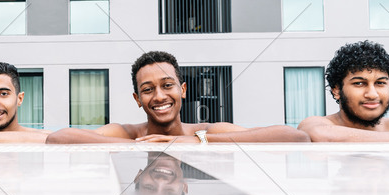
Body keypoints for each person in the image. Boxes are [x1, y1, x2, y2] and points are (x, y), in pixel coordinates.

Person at [46, 51, 309, 144]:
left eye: (167, 85)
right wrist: (139, 146)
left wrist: (196, 142)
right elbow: (58, 138)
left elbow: (295, 137)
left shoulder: (207, 131)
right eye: (148, 89)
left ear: (182, 90)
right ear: (138, 99)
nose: (159, 96)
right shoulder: (128, 135)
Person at [298, 40, 389, 142]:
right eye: (359, 83)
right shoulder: (318, 124)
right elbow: (321, 135)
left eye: (380, 83)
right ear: (336, 91)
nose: (372, 94)